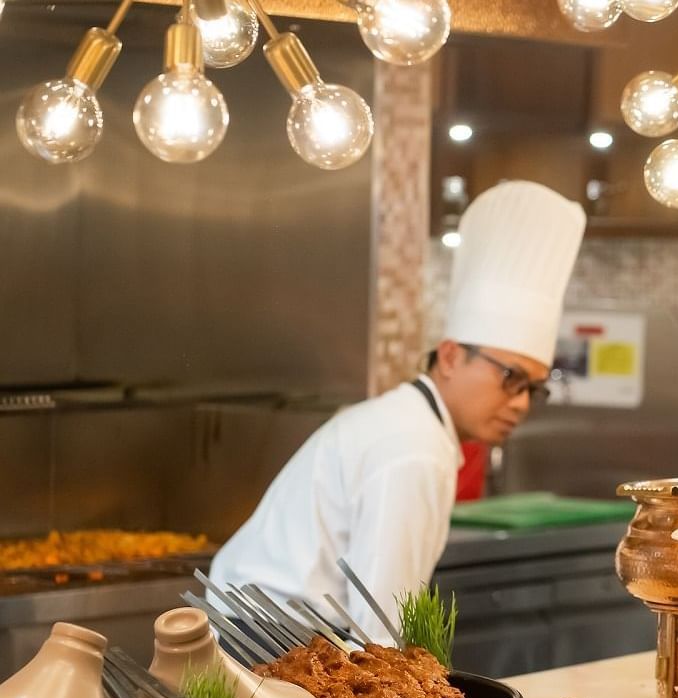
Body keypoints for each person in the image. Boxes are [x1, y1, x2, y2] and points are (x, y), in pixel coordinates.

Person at [210, 181, 585, 638]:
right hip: (268, 642)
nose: (521, 402)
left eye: (534, 389)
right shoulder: (414, 448)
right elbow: (381, 629)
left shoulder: (410, 424)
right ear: (450, 356)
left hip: (263, 632)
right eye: (511, 377)